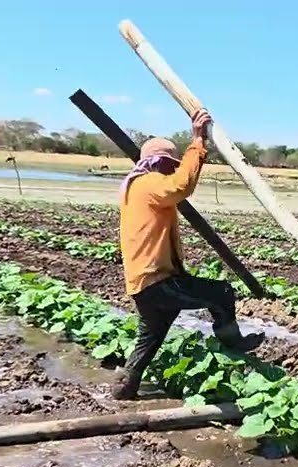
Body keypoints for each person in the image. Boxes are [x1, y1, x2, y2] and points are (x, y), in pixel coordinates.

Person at [112, 108, 265, 400]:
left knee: (151, 337)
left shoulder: (134, 187)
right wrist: (197, 141)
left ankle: (124, 388)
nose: (173, 169)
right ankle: (234, 345)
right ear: (159, 163)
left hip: (142, 282)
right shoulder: (149, 183)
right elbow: (182, 185)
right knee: (221, 293)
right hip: (158, 279)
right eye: (171, 164)